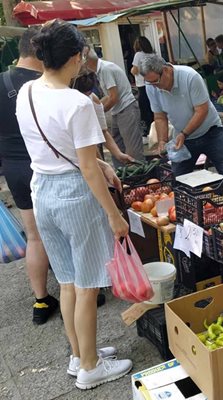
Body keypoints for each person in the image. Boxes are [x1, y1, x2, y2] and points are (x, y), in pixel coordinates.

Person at [15, 20, 132, 389]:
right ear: (78, 56)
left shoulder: (27, 91)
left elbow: (62, 149)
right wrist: (114, 215)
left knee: (66, 281)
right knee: (86, 286)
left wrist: (101, 166)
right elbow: (84, 166)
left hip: (42, 192)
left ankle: (79, 355)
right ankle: (91, 368)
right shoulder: (78, 103)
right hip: (74, 196)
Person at [0, 26, 60, 325]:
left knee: (34, 236)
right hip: (44, 167)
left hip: (13, 169)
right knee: (62, 232)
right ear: (40, 50)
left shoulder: (1, 81)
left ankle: (41, 301)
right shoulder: (45, 84)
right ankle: (78, 289)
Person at [139, 54, 223, 178]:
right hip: (183, 139)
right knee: (177, 178)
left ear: (165, 70)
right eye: (149, 83)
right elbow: (160, 117)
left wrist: (184, 133)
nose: (154, 86)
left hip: (210, 133)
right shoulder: (152, 87)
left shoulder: (190, 76)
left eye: (156, 81)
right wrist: (162, 141)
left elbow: (201, 110)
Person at [83, 46, 144, 167]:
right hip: (118, 111)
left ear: (87, 62)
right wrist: (97, 107)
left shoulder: (105, 69)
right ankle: (121, 176)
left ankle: (139, 177)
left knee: (133, 150)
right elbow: (108, 96)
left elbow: (113, 97)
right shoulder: (100, 70)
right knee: (116, 147)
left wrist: (100, 112)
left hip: (126, 109)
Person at [72, 71, 136, 164]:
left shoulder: (94, 100)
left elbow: (103, 131)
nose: (85, 98)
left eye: (88, 94)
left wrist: (118, 154)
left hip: (89, 149)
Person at [130, 36, 155, 138]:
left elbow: (135, 70)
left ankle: (146, 133)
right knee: (153, 108)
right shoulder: (152, 54)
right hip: (153, 84)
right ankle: (155, 131)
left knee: (144, 110)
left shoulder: (138, 55)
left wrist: (131, 71)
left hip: (142, 85)